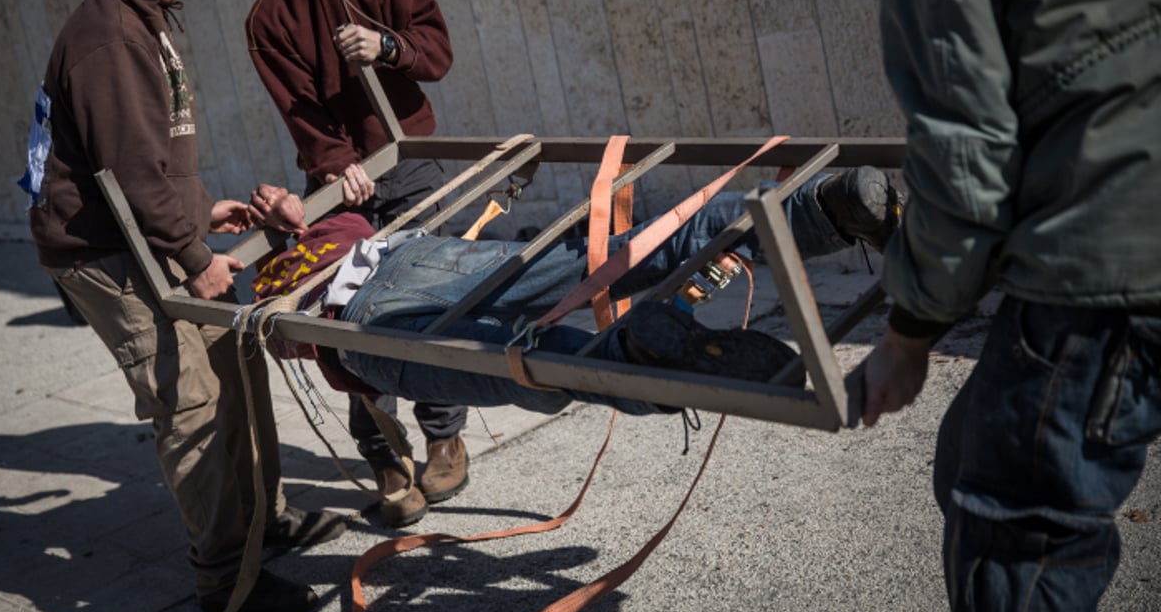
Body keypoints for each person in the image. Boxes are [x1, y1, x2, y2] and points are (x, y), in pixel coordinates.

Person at [858, 0, 1161, 612]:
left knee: (1018, 546)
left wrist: (910, 332)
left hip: (1110, 265)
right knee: (969, 451)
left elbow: (964, 168)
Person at [28, 0, 347, 612]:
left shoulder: (145, 23)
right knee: (190, 398)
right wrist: (192, 251)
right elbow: (132, 173)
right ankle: (223, 577)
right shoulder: (107, 39)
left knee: (236, 361)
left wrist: (205, 211)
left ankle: (264, 524)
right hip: (100, 251)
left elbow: (159, 160)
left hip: (149, 227)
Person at [247, 165, 902, 415]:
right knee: (614, 256)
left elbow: (265, 334)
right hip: (412, 255)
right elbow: (350, 189)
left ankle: (641, 358)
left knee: (540, 365)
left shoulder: (259, 283)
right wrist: (295, 203)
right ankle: (821, 209)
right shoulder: (334, 219)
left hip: (357, 318)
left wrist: (217, 243)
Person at [244, 0, 467, 527]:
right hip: (343, 189)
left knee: (430, 306)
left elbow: (438, 51)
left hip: (412, 168)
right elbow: (299, 111)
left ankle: (444, 434)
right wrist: (340, 166)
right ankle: (383, 448)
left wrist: (387, 44)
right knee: (351, 319)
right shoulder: (266, 19)